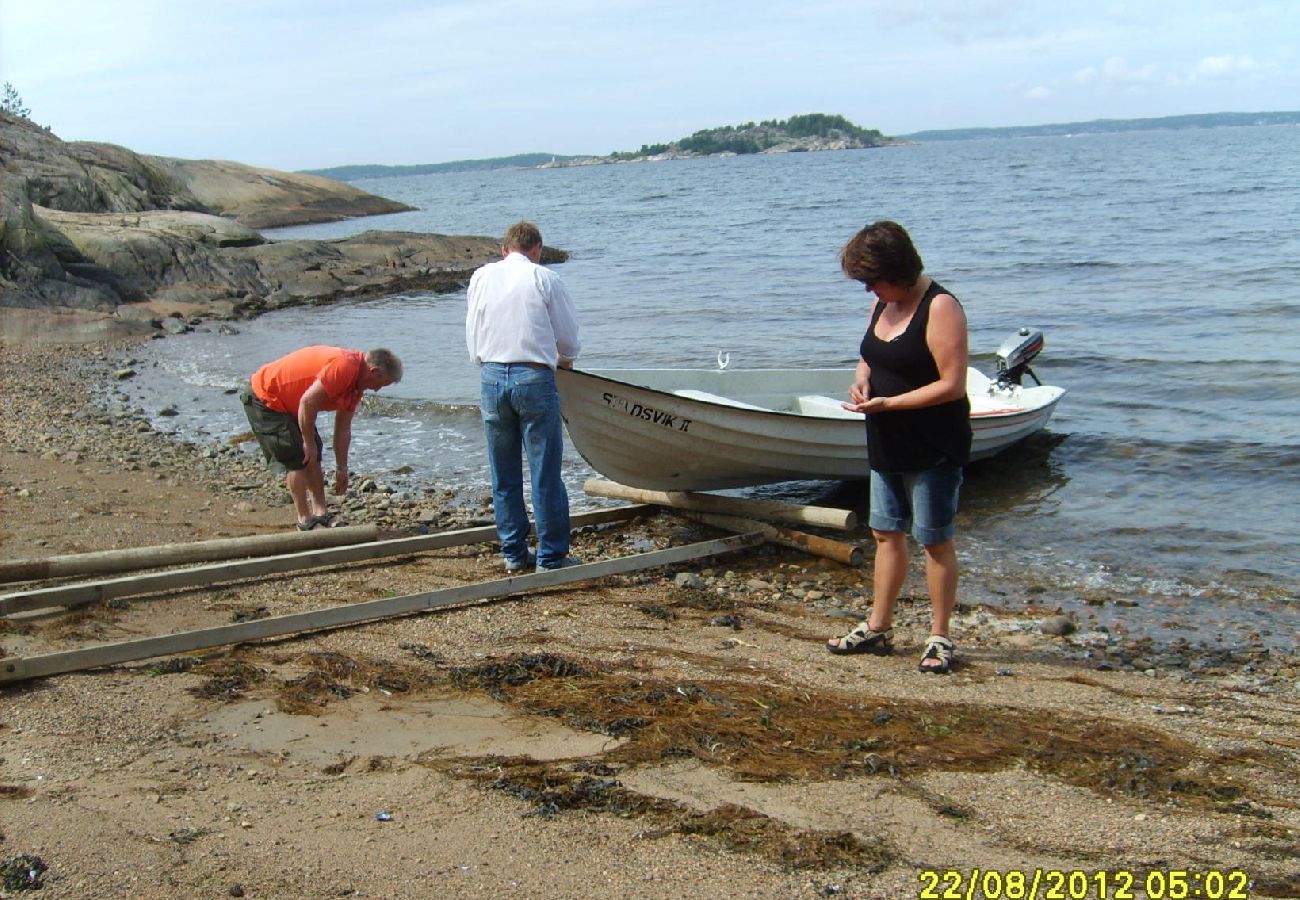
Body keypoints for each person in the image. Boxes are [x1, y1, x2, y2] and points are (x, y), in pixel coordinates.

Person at [825, 221, 971, 674]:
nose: (868, 289)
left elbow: (952, 385)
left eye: (872, 279)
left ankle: (940, 636)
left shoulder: (940, 307)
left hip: (932, 442)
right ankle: (878, 627)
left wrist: (892, 404)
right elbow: (870, 353)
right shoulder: (881, 302)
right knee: (885, 534)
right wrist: (862, 380)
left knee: (934, 539)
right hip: (885, 437)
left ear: (898, 269)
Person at [466, 221, 582, 572]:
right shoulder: (544, 278)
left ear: (505, 250)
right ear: (537, 250)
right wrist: (564, 360)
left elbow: (473, 331)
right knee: (544, 471)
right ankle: (550, 556)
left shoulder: (482, 276)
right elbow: (568, 339)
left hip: (491, 375)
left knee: (504, 472)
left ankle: (514, 554)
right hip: (533, 376)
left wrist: (485, 362)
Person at [240, 345, 402, 530]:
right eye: (381, 384)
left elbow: (343, 429)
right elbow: (308, 401)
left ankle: (321, 514)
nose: (377, 390)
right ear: (374, 372)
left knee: (314, 453)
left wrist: (342, 467)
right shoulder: (345, 367)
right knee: (298, 456)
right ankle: (304, 520)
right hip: (266, 396)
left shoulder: (356, 388)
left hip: (292, 403)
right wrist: (308, 443)